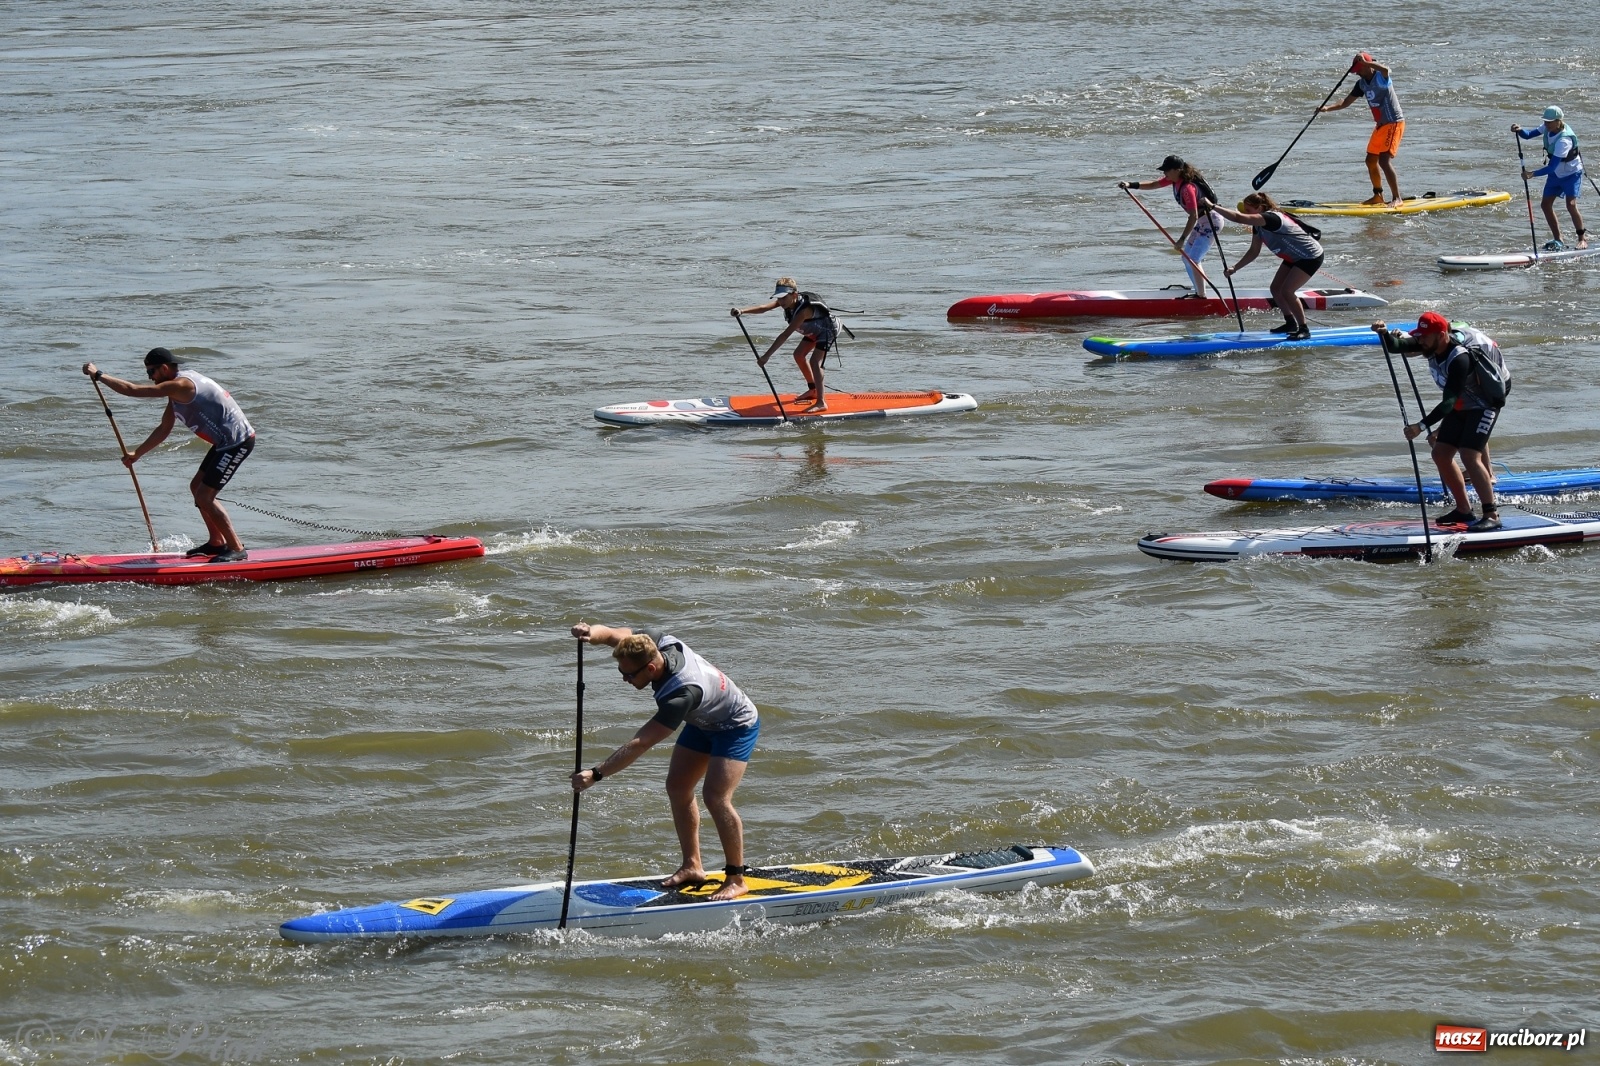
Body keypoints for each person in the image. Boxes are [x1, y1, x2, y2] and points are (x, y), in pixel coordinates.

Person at [569, 622, 761, 902]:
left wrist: (596, 774)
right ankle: (693, 865)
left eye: (628, 674)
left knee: (716, 797)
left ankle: (736, 878)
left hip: (735, 724)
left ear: (649, 669)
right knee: (678, 787)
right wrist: (590, 634)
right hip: (703, 719)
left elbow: (641, 742)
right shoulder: (653, 640)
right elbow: (613, 634)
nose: (624, 679)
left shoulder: (680, 695)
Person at [80, 348, 255, 562]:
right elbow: (164, 428)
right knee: (196, 488)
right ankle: (217, 542)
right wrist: (137, 453)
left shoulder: (181, 385)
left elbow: (133, 390)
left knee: (204, 496)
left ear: (164, 368)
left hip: (237, 442)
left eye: (151, 372)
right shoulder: (175, 392)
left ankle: (236, 548)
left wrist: (99, 375)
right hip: (224, 443)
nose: (150, 378)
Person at [1374, 312, 1510, 531]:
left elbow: (1448, 403)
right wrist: (1384, 333)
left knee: (1469, 455)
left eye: (1425, 336)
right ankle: (1464, 510)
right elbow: (1397, 345)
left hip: (1484, 403)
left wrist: (1421, 426)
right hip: (1462, 404)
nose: (1420, 340)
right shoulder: (1430, 344)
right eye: (1419, 336)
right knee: (1440, 453)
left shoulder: (1460, 359)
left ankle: (1491, 514)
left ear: (1441, 335)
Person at [1203, 192, 1324, 339]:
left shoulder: (1271, 218)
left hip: (1310, 256)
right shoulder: (1258, 226)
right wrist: (1235, 268)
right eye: (1245, 210)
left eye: (1248, 211)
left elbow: (1237, 217)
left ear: (1260, 208)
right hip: (1293, 257)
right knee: (1275, 289)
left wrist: (1212, 206)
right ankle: (1290, 323)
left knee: (1287, 291)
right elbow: (1254, 251)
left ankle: (1304, 329)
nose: (1246, 214)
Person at [1118, 156, 1225, 295]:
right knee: (1186, 258)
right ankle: (1199, 291)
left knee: (1193, 259)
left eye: (1167, 170)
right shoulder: (1174, 180)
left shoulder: (1187, 188)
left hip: (1212, 222)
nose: (1164, 174)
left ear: (1178, 170)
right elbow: (1153, 184)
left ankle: (1201, 296)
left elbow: (1193, 216)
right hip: (1203, 222)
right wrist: (1130, 184)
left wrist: (1181, 239)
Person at [730, 278, 840, 413]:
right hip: (813, 330)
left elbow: (785, 335)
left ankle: (821, 402)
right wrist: (742, 311)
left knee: (814, 362)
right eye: (779, 298)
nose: (781, 302)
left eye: (783, 298)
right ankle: (813, 390)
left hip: (827, 330)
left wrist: (766, 356)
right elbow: (764, 308)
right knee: (798, 355)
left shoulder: (803, 311)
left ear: (794, 295)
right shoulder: (787, 302)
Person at [1319, 53, 1405, 206]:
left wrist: (1366, 62)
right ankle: (1378, 195)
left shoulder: (1380, 76)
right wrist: (1327, 108)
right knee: (1370, 160)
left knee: (1384, 161)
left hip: (1393, 122)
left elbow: (1386, 69)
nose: (1357, 73)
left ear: (1367, 65)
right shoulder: (1361, 85)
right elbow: (1346, 102)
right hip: (1380, 125)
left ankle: (1397, 198)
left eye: (1359, 69)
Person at [1513, 105, 1587, 250]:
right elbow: (1528, 135)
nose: (1546, 124)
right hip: (1556, 174)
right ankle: (1558, 239)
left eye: (1549, 122)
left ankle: (1582, 239)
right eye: (1545, 121)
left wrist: (1532, 174)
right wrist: (1519, 130)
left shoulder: (1564, 141)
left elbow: (1551, 167)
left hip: (1571, 173)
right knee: (1545, 205)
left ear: (1558, 121)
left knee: (1570, 205)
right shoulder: (1547, 127)